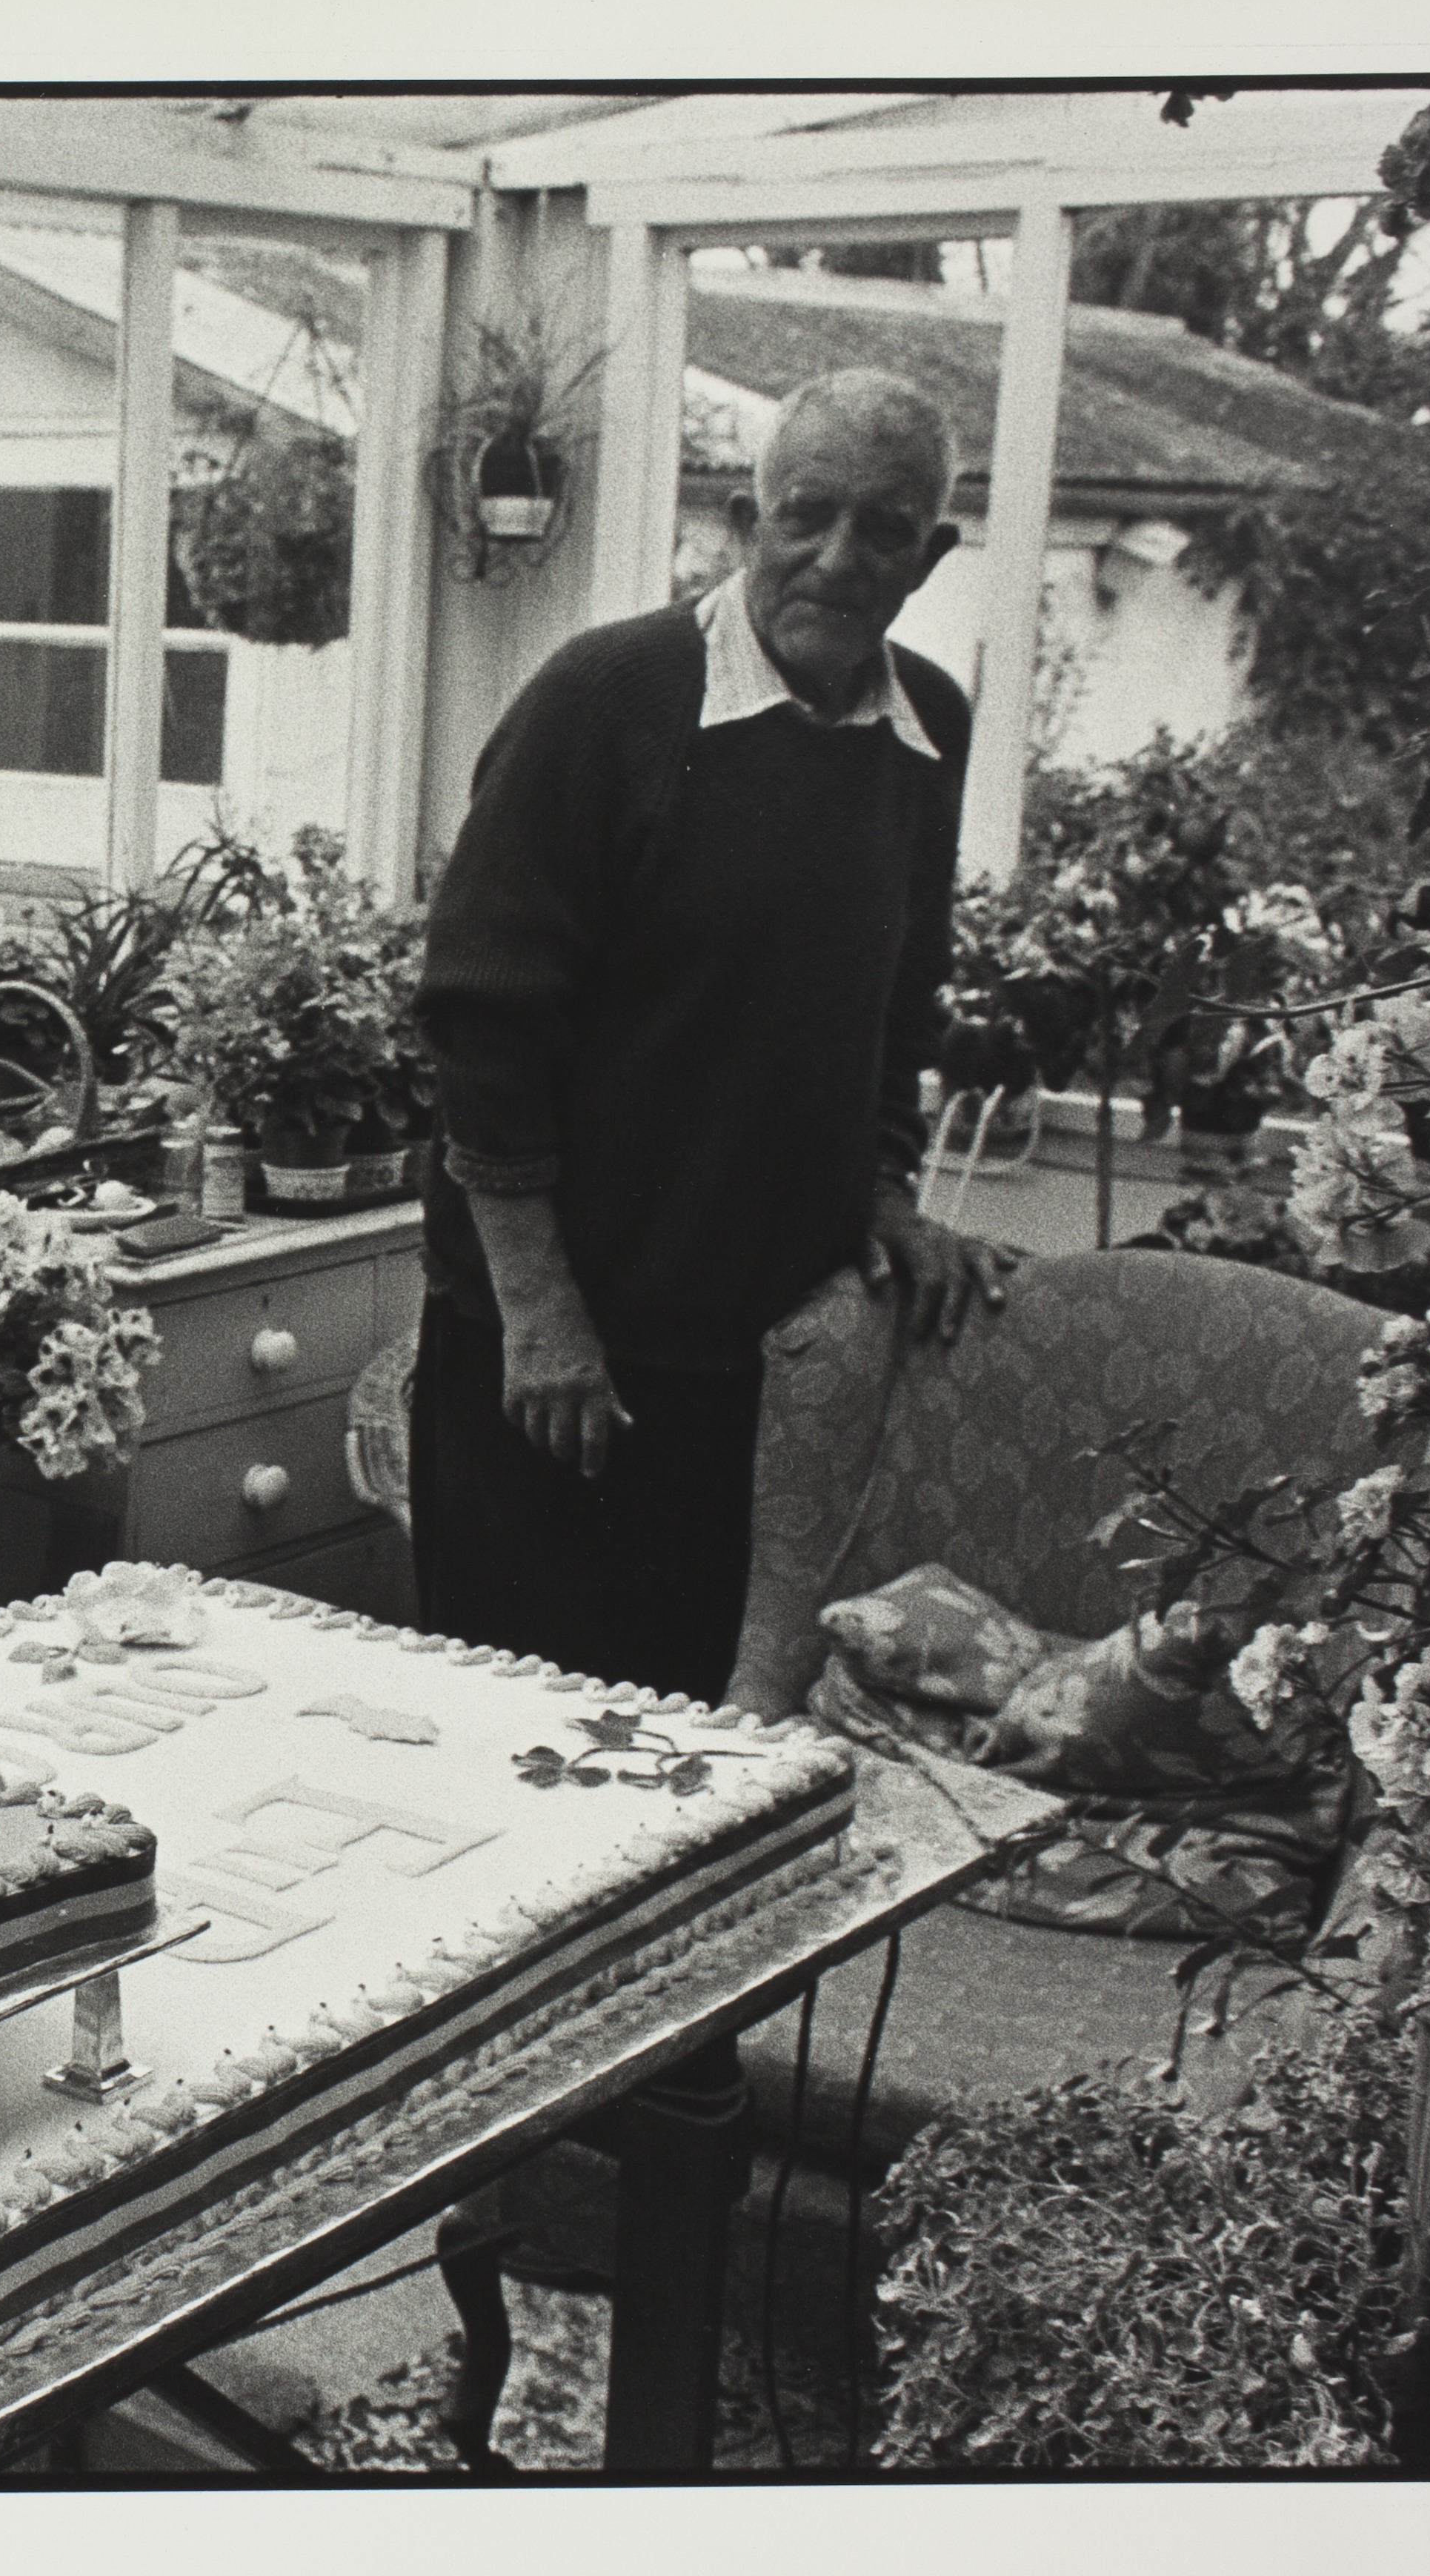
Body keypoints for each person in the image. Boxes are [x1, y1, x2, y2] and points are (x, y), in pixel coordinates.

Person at [408, 368, 1023, 1707]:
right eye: (807, 515)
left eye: (884, 528)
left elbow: (897, 996)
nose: (838, 558)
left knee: (696, 1742)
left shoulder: (930, 727)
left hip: (764, 1360)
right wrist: (538, 1308)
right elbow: (482, 1017)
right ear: (747, 520)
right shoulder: (610, 697)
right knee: (512, 1722)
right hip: (551, 1356)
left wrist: (886, 1186)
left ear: (935, 553)